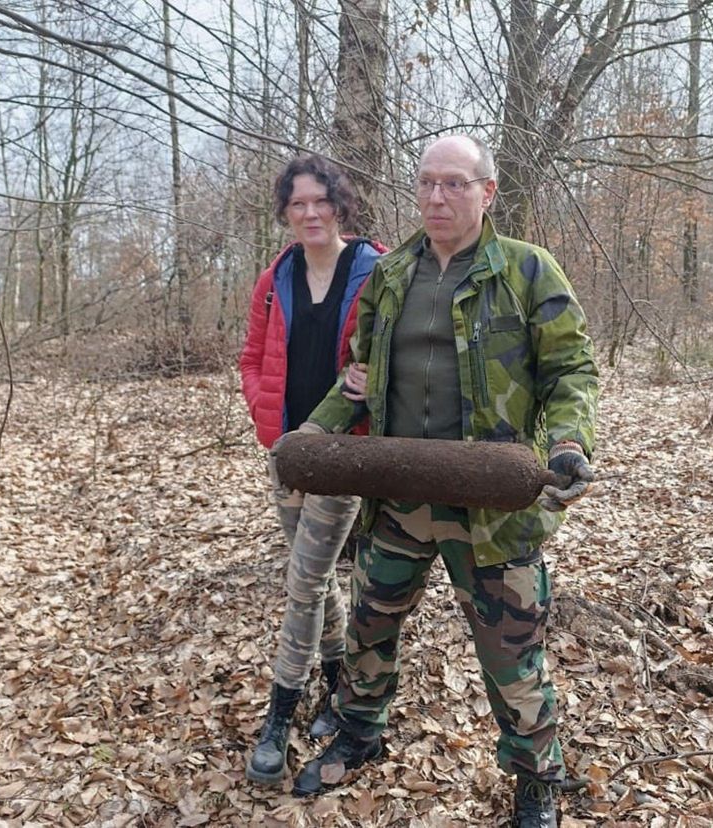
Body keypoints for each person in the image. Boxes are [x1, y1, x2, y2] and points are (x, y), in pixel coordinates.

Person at [289, 135, 599, 828]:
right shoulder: (392, 274)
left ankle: (535, 777)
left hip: (492, 508)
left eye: (455, 184)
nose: (437, 197)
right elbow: (360, 377)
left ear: (487, 193)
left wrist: (571, 444)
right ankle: (361, 731)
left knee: (512, 653)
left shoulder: (526, 271)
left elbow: (573, 372)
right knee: (370, 625)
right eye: (427, 183)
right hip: (399, 498)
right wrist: (309, 438)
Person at [239, 154, 386, 785]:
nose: (309, 213)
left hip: (342, 452)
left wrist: (370, 379)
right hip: (288, 453)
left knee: (304, 581)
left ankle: (279, 715)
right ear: (286, 213)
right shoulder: (276, 278)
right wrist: (267, 423)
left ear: (339, 205)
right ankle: (336, 685)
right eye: (297, 204)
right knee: (318, 578)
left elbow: (398, 352)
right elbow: (250, 358)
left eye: (318, 201)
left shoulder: (374, 271)